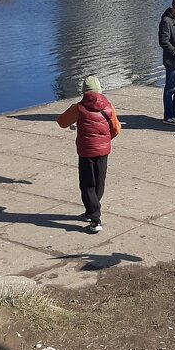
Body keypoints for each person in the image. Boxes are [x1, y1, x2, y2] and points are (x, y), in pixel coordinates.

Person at [56, 74, 121, 233]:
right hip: (103, 151)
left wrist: (74, 120)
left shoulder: (78, 108)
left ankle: (95, 218)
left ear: (84, 92)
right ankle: (92, 209)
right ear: (100, 91)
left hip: (85, 151)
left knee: (86, 185)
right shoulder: (109, 107)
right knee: (99, 182)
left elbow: (61, 122)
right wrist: (105, 140)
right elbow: (116, 129)